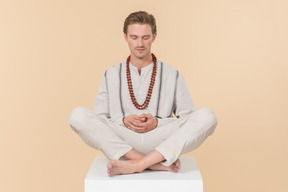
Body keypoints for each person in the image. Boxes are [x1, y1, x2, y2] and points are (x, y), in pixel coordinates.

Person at [68, 11, 218, 177]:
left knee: (207, 116)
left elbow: (186, 121)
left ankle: (138, 164)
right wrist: (123, 121)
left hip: (161, 141)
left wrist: (158, 124)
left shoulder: (172, 74)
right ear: (125, 37)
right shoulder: (110, 74)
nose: (140, 43)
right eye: (134, 37)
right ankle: (152, 164)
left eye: (145, 37)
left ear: (154, 37)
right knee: (78, 115)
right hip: (123, 140)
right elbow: (100, 120)